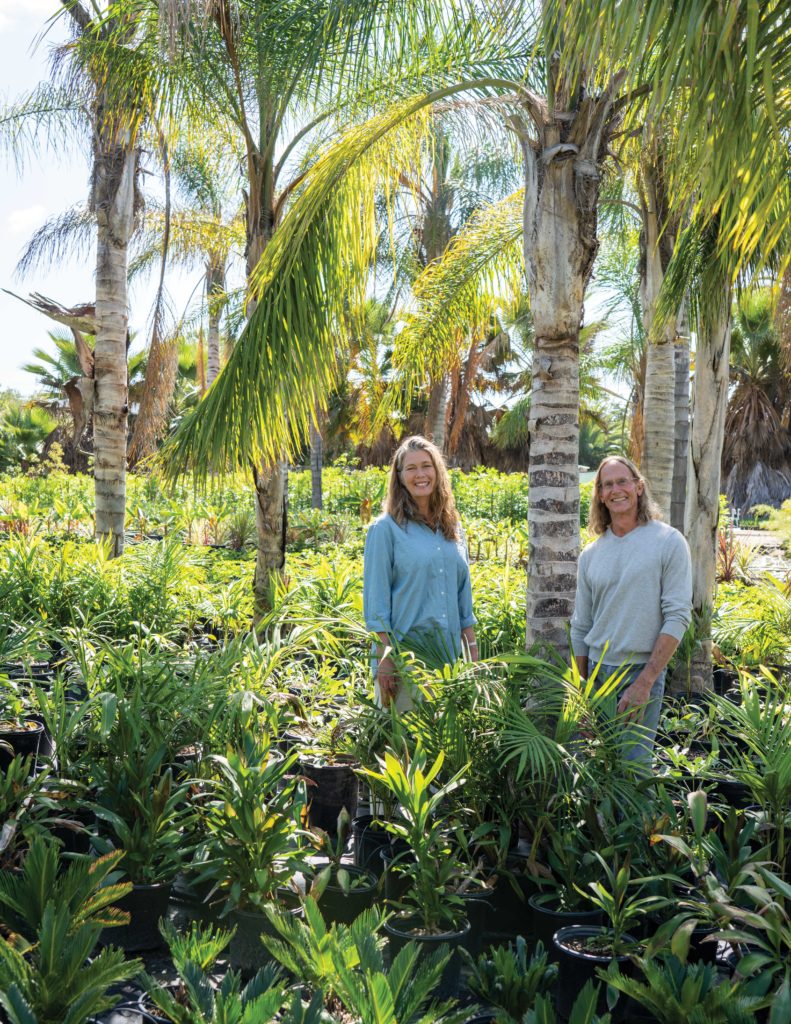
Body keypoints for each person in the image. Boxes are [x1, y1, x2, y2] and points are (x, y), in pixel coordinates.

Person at [570, 455, 692, 765]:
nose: (615, 489)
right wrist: (581, 689)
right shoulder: (591, 554)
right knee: (594, 772)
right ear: (600, 494)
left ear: (638, 487)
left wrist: (646, 681)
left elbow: (678, 615)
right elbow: (581, 626)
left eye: (622, 481)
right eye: (606, 484)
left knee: (633, 772)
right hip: (596, 675)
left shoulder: (668, 542)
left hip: (640, 672)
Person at [363, 435, 478, 710]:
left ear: (437, 472)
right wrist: (385, 659)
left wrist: (472, 658)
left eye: (426, 466)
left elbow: (464, 599)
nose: (420, 474)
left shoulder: (453, 528)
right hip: (406, 663)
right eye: (411, 468)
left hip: (449, 663)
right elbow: (376, 603)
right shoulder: (385, 530)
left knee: (446, 750)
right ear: (400, 477)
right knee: (405, 750)